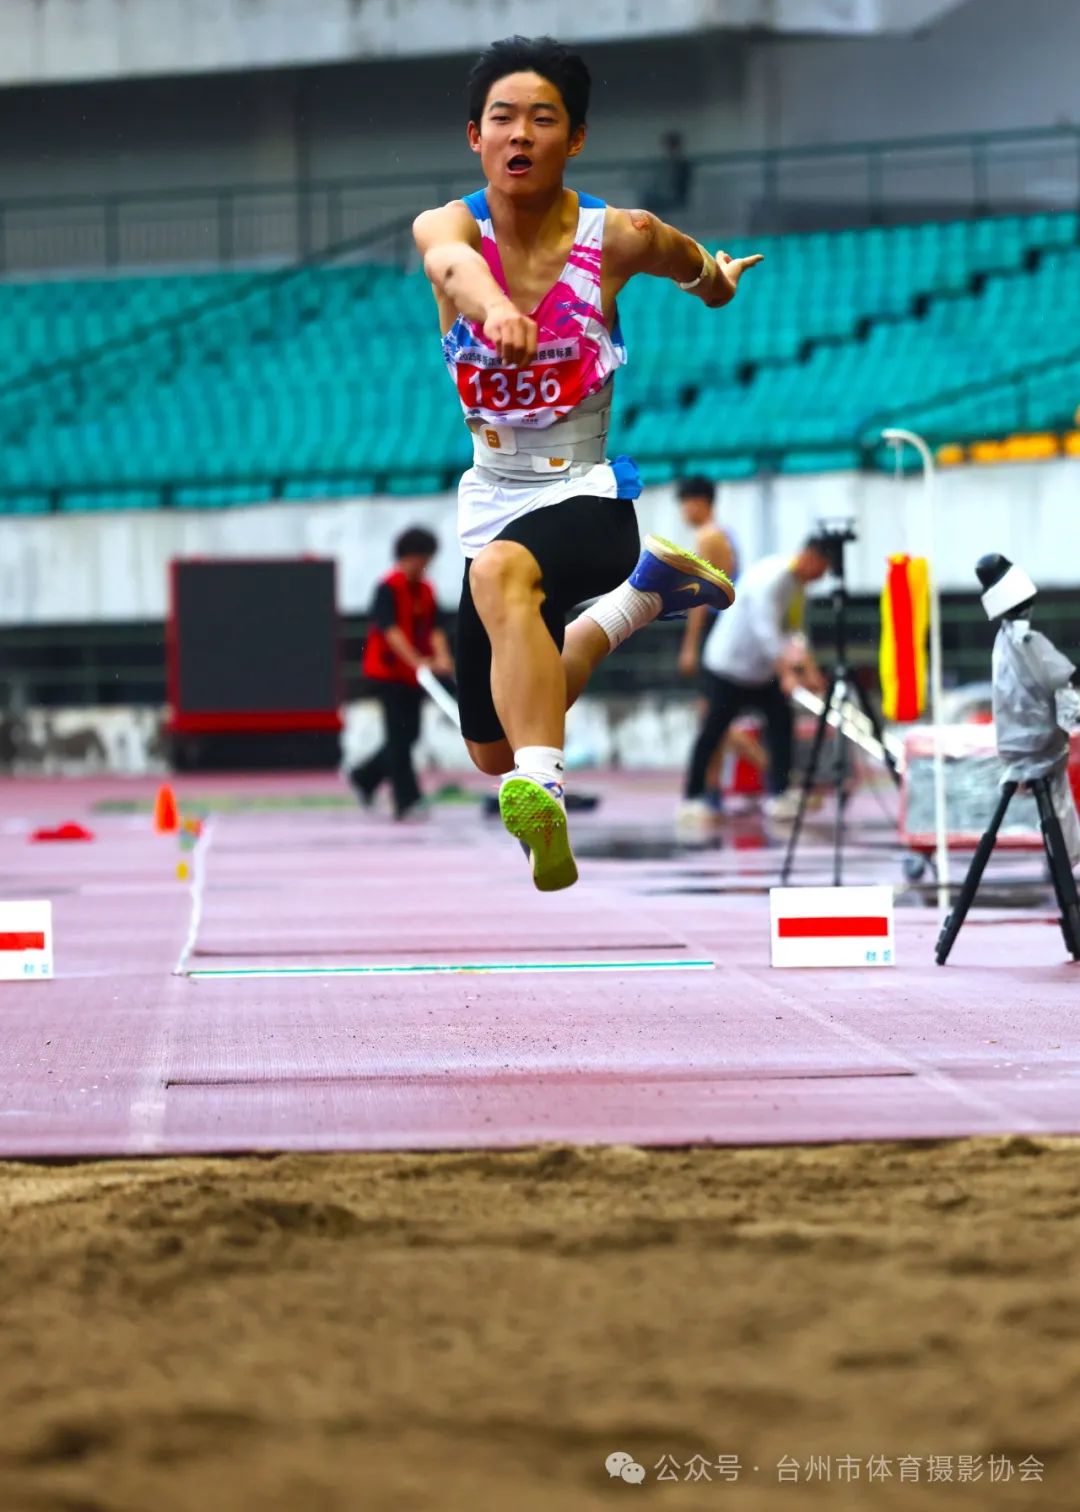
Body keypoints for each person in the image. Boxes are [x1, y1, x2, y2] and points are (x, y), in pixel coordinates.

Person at [412, 34, 761, 891]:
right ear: (474, 137)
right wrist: (493, 305)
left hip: (589, 494)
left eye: (543, 117)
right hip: (491, 493)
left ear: (576, 139)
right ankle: (640, 599)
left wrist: (718, 278)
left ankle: (546, 789)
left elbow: (697, 269)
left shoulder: (620, 238)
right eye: (503, 118)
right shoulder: (448, 228)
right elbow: (450, 263)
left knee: (501, 579)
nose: (520, 134)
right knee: (489, 745)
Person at [681, 537, 830, 825]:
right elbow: (765, 630)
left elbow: (793, 631)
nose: (821, 577)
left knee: (781, 723)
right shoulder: (772, 579)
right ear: (811, 557)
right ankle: (693, 797)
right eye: (821, 569)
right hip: (729, 667)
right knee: (713, 730)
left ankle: (780, 793)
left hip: (761, 672)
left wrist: (809, 671)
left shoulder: (797, 588)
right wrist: (787, 673)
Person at [350, 526, 455, 820]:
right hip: (388, 675)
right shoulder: (387, 588)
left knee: (409, 736)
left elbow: (435, 629)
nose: (424, 566)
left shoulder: (426, 591)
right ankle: (406, 799)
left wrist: (442, 658)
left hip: (414, 677)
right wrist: (418, 661)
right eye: (421, 559)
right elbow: (391, 632)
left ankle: (364, 777)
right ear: (408, 557)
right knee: (399, 736)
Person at [642, 131, 692, 217]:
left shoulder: (681, 164)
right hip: (667, 197)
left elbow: (679, 187)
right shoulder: (667, 163)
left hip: (675, 198)